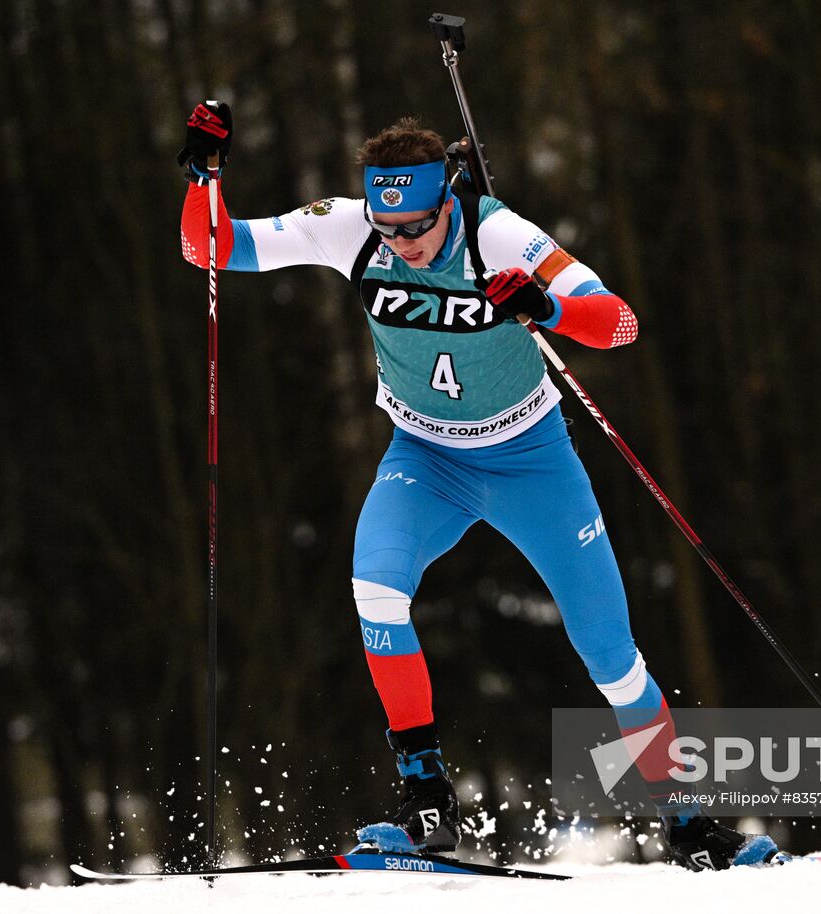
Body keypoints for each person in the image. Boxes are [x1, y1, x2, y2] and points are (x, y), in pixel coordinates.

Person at [176, 101, 780, 869]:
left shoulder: (499, 233)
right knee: (375, 588)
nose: (402, 245)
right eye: (387, 231)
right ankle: (424, 791)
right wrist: (205, 175)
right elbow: (211, 248)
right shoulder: (349, 224)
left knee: (610, 654)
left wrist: (546, 304)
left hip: (532, 462)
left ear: (449, 198)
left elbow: (619, 322)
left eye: (417, 228)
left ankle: (688, 822)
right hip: (424, 459)